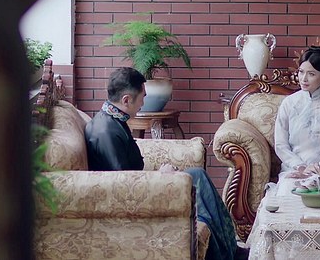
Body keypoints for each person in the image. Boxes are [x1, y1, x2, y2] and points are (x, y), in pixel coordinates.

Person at [85, 67, 243, 260]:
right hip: (131, 201)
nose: (143, 103)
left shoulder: (112, 120)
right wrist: (160, 177)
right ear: (126, 100)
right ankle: (231, 253)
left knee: (197, 178)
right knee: (197, 179)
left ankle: (231, 251)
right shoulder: (106, 132)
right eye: (142, 97)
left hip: (139, 186)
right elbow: (123, 184)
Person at [274, 46, 320, 177]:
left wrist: (319, 169)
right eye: (301, 72)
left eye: (311, 74)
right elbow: (280, 145)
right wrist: (301, 167)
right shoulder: (289, 103)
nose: (304, 78)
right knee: (290, 189)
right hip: (295, 169)